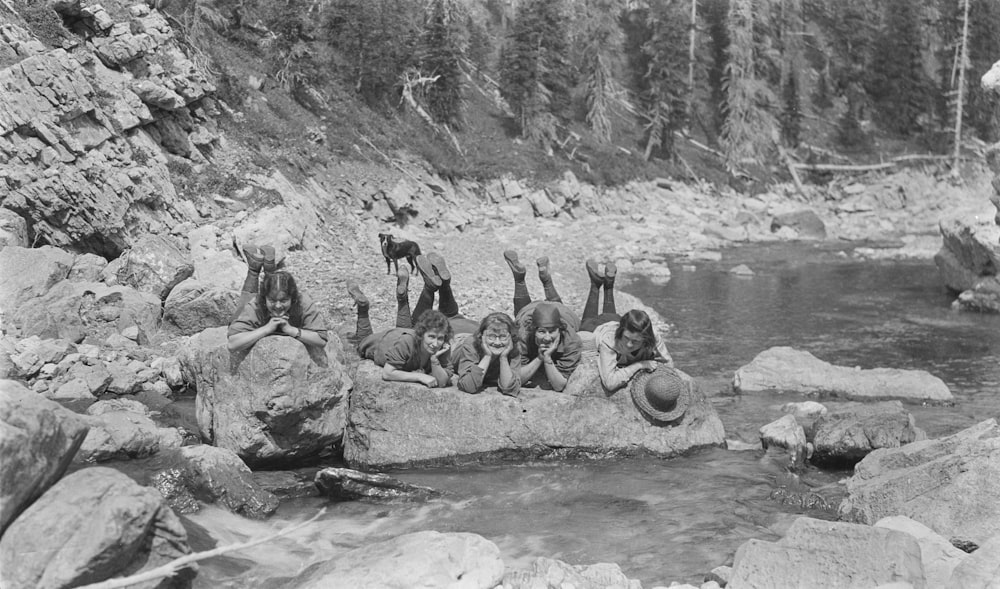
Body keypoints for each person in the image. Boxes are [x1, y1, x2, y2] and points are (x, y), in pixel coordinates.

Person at [350, 256, 459, 388]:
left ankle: (409, 294)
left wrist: (435, 361)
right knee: (363, 341)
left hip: (403, 332)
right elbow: (388, 373)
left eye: (440, 338)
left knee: (405, 326)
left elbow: (441, 382)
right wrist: (419, 377)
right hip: (382, 342)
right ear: (421, 333)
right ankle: (363, 308)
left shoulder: (442, 347)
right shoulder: (408, 343)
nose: (435, 343)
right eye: (431, 337)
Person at [583, 260, 675, 393]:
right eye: (627, 339)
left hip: (616, 320)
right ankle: (595, 285)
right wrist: (639, 365)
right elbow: (610, 382)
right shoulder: (609, 341)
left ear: (646, 339)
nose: (630, 345)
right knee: (587, 322)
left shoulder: (653, 336)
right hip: (596, 329)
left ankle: (609, 285)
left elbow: (668, 365)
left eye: (636, 341)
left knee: (611, 314)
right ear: (621, 333)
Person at [503, 250, 582, 391]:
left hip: (564, 314)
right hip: (530, 314)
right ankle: (526, 280)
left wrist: (547, 359)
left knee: (556, 307)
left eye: (552, 332)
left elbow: (559, 386)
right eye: (541, 332)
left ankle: (528, 280)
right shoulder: (523, 334)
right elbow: (516, 379)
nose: (547, 338)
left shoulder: (571, 340)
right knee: (521, 313)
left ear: (560, 330)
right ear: (533, 331)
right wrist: (539, 358)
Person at [227, 245, 329, 354]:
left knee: (273, 286)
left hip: (289, 323)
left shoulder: (303, 302)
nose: (278, 306)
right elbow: (233, 343)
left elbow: (321, 340)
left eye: (284, 301)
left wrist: (291, 330)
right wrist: (267, 329)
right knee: (240, 312)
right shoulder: (256, 304)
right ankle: (254, 269)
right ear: (264, 298)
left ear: (292, 298)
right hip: (259, 309)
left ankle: (268, 271)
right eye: (272, 301)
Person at [450, 312, 521, 396]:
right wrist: (487, 356)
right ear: (482, 336)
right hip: (458, 336)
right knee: (451, 318)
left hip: (473, 326)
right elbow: (469, 386)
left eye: (503, 336)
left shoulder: (513, 348)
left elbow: (509, 388)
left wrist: (503, 357)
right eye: (492, 336)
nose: (497, 342)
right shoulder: (471, 345)